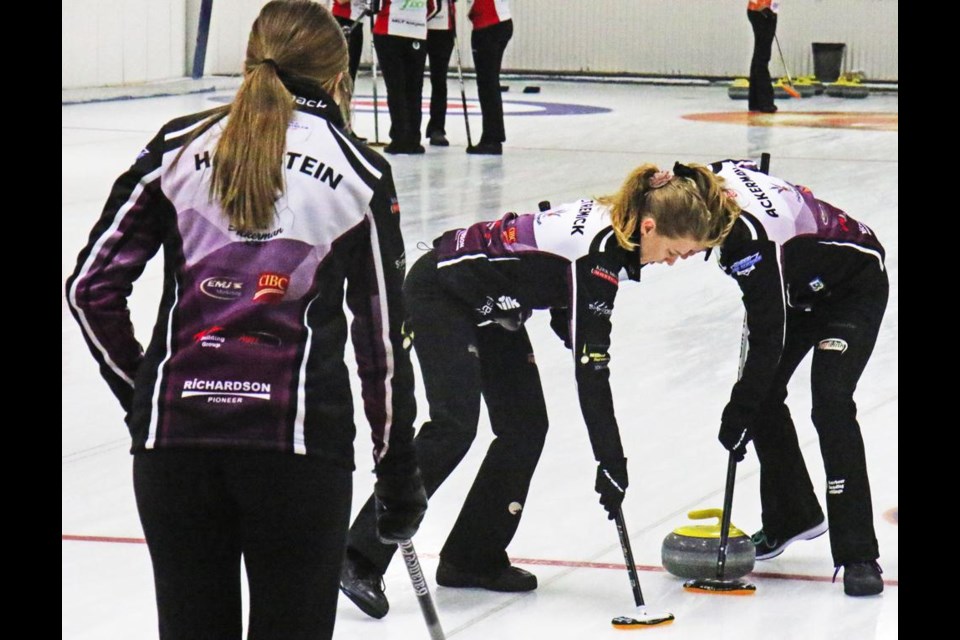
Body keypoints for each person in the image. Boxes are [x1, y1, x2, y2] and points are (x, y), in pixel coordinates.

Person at [64, 2, 426, 638]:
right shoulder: (360, 172)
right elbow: (382, 342)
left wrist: (145, 393)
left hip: (176, 448)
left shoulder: (175, 149)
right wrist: (397, 472)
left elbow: (91, 287)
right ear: (341, 75)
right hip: (296, 453)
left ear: (247, 62)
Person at [339, 163, 738, 618]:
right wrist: (611, 461)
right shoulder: (598, 257)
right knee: (453, 426)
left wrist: (579, 328)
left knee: (526, 425)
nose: (671, 262)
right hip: (442, 291)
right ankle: (358, 557)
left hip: (494, 303)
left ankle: (471, 555)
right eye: (674, 252)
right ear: (649, 227)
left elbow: (560, 296)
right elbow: (591, 372)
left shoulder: (616, 236)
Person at [708, 158, 888, 596]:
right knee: (763, 394)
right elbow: (739, 164)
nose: (689, 255)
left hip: (853, 287)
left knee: (830, 402)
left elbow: (767, 340)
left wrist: (738, 411)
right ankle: (793, 516)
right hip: (794, 288)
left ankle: (858, 554)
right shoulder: (706, 180)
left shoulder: (748, 242)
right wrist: (748, 404)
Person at [373, 0, 430, 154]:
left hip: (390, 27)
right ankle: (413, 139)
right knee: (414, 87)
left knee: (395, 87)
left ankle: (400, 138)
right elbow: (434, 7)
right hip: (417, 30)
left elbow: (375, 5)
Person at [466, 0, 512, 154]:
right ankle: (493, 136)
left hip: (489, 23)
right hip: (497, 21)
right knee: (489, 83)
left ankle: (492, 138)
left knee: (487, 84)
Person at [425, 0, 455, 146]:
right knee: (412, 80)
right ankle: (408, 129)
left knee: (439, 80)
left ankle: (437, 128)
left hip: (443, 26)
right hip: (415, 24)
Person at [747, 0, 779, 113]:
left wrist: (774, 11)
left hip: (768, 12)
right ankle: (765, 101)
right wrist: (763, 7)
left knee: (760, 55)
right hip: (760, 12)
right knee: (762, 56)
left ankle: (755, 101)